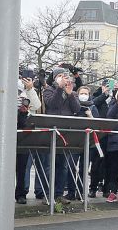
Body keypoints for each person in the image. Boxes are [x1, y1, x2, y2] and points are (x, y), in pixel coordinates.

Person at [40, 66, 81, 204]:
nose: (64, 78)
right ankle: (48, 194)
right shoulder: (48, 90)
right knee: (49, 165)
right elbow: (53, 104)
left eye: (65, 76)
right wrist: (59, 88)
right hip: (51, 133)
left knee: (62, 165)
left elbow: (76, 109)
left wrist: (70, 94)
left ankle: (58, 194)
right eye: (60, 76)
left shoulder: (72, 93)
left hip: (65, 133)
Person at [15, 72, 41, 204]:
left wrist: (30, 89)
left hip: (24, 133)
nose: (22, 81)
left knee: (22, 166)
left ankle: (21, 193)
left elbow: (37, 106)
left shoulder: (29, 93)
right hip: (9, 131)